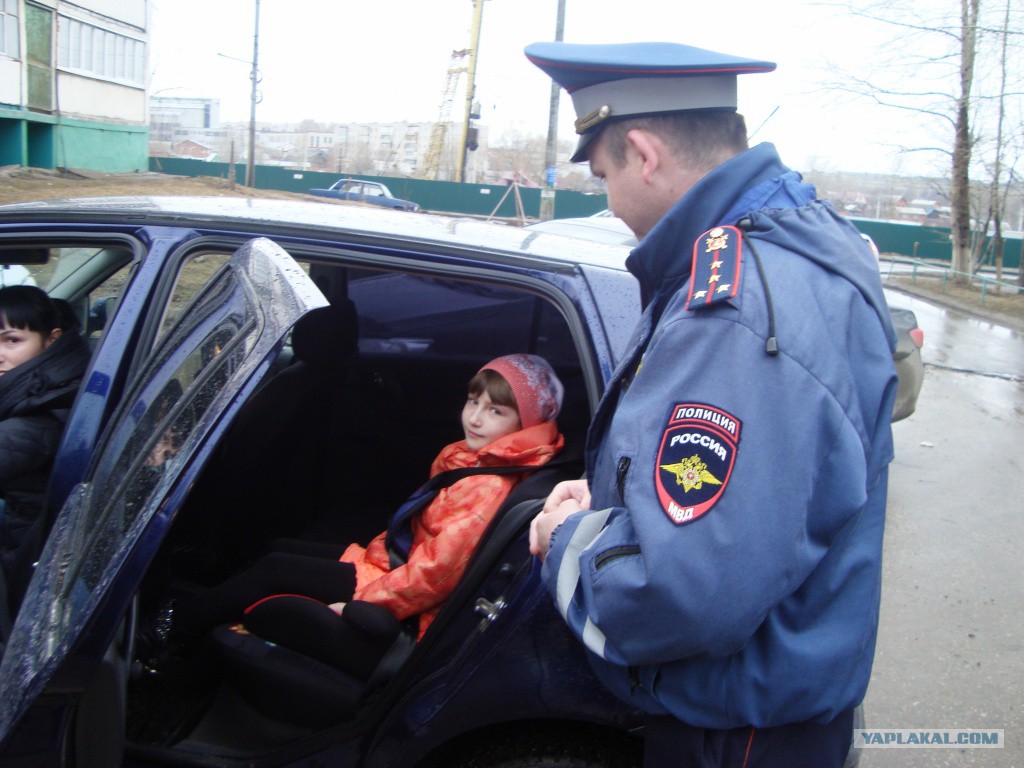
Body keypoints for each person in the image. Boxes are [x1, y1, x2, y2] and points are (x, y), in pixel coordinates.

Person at [525, 42, 898, 768]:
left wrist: (569, 536)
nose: (606, 198)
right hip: (777, 712)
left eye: (603, 174)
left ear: (644, 152)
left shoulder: (733, 313)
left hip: (735, 737)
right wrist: (607, 497)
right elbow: (758, 499)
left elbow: (682, 592)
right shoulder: (799, 244)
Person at [159, 354, 565, 679]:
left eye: (495, 411)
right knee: (280, 550)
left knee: (274, 568)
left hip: (400, 593)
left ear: (523, 423)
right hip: (390, 564)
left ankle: (172, 629)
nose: (475, 418)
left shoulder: (488, 486)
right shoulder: (478, 460)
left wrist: (359, 599)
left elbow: (435, 576)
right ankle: (209, 621)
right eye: (473, 401)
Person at [0, 286, 91, 606]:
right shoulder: (61, 381)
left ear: (51, 339)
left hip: (27, 562)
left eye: (12, 340)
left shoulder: (34, 422)